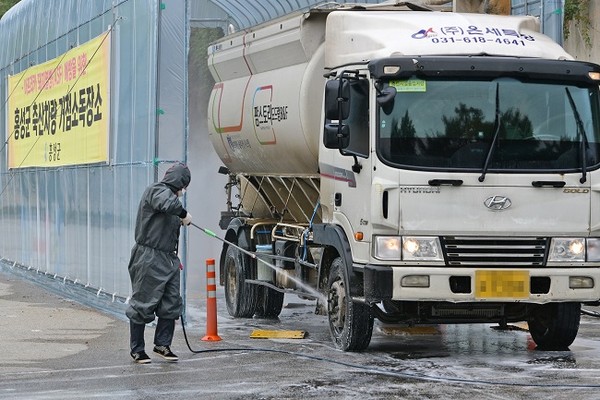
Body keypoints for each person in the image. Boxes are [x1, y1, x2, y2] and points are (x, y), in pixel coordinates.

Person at [126, 162, 192, 364]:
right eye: (183, 186)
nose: (183, 190)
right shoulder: (156, 191)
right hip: (149, 257)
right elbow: (167, 204)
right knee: (143, 303)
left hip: (168, 258)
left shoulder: (171, 198)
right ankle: (137, 349)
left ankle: (162, 344)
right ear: (179, 182)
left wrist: (179, 219)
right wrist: (183, 214)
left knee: (171, 303)